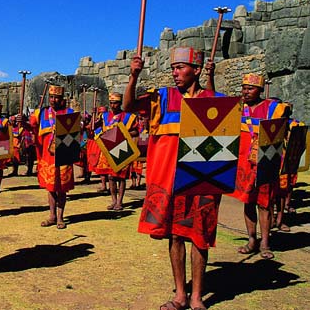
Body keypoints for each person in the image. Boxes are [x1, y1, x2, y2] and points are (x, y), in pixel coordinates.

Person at [123, 46, 220, 310]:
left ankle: (197, 296)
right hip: (168, 179)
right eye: (173, 68)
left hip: (201, 179)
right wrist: (134, 76)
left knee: (199, 238)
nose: (175, 73)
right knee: (175, 236)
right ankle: (180, 294)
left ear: (196, 70)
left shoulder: (213, 101)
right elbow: (128, 106)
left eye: (180, 68)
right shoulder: (162, 98)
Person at [230, 73, 290, 260]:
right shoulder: (239, 108)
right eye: (244, 88)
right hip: (244, 163)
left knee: (264, 204)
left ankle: (265, 243)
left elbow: (284, 123)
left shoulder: (272, 107)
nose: (246, 92)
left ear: (260, 90)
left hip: (265, 162)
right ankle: (251, 240)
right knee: (248, 202)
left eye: (251, 88)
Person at [30, 85, 77, 230]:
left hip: (63, 155)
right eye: (51, 97)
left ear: (62, 99)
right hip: (47, 156)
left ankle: (61, 217)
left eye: (57, 97)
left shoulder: (69, 113)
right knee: (50, 188)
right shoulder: (42, 113)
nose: (53, 100)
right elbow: (31, 126)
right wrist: (23, 122)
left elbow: (76, 132)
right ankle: (52, 216)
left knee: (61, 188)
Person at [95, 92, 138, 211]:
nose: (113, 105)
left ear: (120, 104)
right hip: (108, 149)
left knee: (121, 177)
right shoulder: (104, 116)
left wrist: (123, 133)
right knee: (111, 177)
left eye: (115, 103)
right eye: (111, 103)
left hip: (122, 148)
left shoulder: (128, 117)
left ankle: (120, 201)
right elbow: (96, 128)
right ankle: (113, 200)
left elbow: (136, 132)